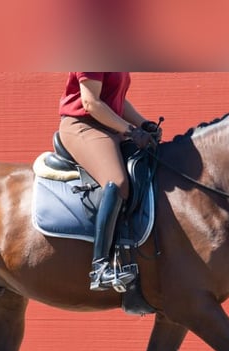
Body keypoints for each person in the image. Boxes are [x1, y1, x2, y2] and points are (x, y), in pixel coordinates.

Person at [58, 72, 162, 291]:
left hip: (108, 128)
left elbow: (116, 101)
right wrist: (131, 131)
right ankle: (100, 267)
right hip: (83, 125)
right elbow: (91, 103)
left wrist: (143, 124)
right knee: (116, 181)